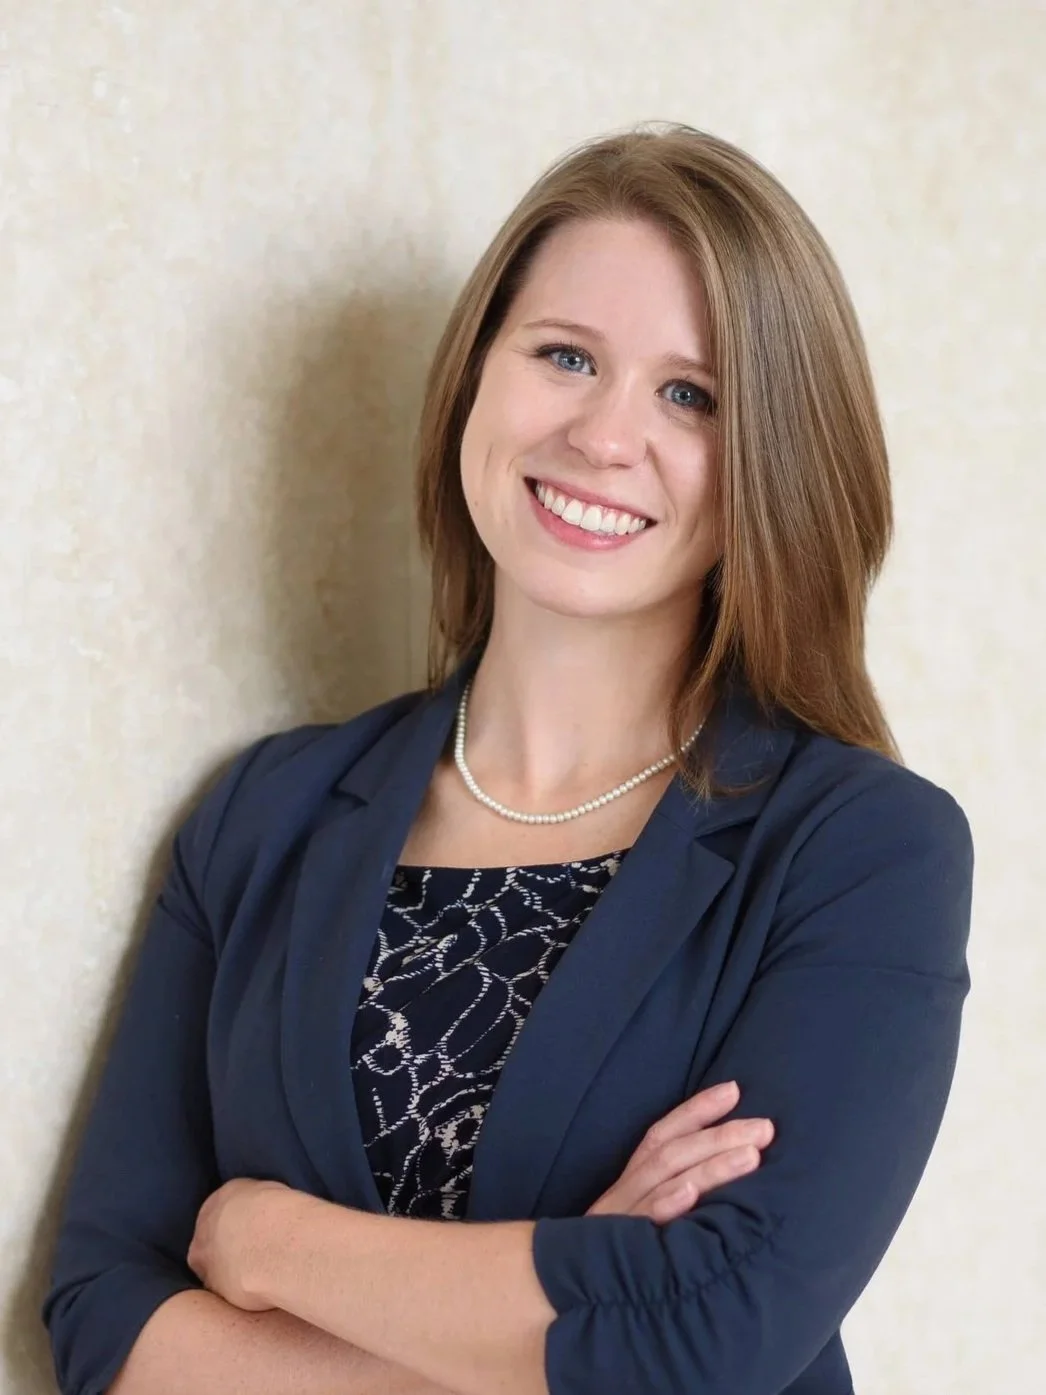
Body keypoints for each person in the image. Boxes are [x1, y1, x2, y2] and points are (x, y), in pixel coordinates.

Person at [42, 124, 974, 1395]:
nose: (602, 434)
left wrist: (266, 1241)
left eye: (688, 395)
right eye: (564, 357)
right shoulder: (262, 816)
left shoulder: (859, 850)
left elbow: (709, 1340)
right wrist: (570, 1303)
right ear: (476, 378)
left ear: (776, 462)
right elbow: (104, 1319)